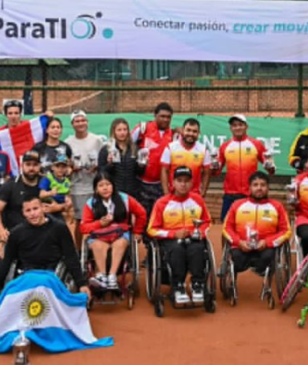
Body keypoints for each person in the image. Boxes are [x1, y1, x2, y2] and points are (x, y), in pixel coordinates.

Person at [0, 197, 89, 298]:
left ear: (43, 208)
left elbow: (70, 257)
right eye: (28, 210)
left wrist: (81, 284)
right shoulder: (16, 233)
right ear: (23, 213)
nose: (32, 213)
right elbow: (7, 262)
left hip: (52, 276)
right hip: (26, 276)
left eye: (35, 209)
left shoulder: (59, 228)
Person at [146, 166, 212, 304]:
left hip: (193, 237)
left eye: (187, 181)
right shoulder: (161, 203)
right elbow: (151, 229)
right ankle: (178, 286)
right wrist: (173, 234)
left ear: (192, 183)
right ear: (173, 183)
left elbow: (207, 222)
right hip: (171, 240)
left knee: (198, 249)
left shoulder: (198, 200)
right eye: (179, 180)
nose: (183, 184)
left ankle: (197, 285)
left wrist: (200, 232)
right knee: (177, 249)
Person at [81, 175, 147, 289]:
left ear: (113, 186)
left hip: (120, 234)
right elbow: (83, 227)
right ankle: (102, 276)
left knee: (120, 244)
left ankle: (112, 276)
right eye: (101, 185)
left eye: (108, 184)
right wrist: (99, 224)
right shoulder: (90, 203)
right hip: (99, 235)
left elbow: (141, 213)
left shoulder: (125, 199)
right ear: (96, 189)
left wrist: (138, 231)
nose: (105, 188)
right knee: (96, 245)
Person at [223, 172, 292, 277]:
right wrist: (239, 242)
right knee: (236, 257)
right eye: (255, 185)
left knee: (269, 256)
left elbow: (286, 231)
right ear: (249, 188)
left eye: (263, 185)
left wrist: (267, 242)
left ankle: (264, 279)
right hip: (242, 246)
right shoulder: (237, 205)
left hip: (265, 248)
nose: (259, 188)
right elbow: (227, 228)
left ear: (268, 188)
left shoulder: (277, 207)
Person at [0, 150, 60, 244]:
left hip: (45, 235)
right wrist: (1, 230)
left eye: (35, 164)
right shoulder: (11, 185)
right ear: (22, 165)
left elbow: (67, 205)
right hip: (16, 235)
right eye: (28, 164)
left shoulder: (49, 184)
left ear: (40, 166)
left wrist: (58, 207)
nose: (31, 168)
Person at [216, 114, 274, 223]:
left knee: (251, 224)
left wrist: (270, 166)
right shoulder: (225, 146)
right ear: (231, 128)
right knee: (226, 224)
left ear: (246, 126)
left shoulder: (256, 144)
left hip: (250, 194)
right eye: (234, 125)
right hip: (230, 194)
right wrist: (214, 167)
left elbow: (270, 170)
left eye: (240, 125)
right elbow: (216, 171)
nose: (237, 127)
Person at [132, 102, 176, 218]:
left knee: (158, 217)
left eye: (168, 117)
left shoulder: (173, 135)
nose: (165, 120)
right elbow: (126, 145)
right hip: (140, 183)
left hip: (160, 185)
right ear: (155, 115)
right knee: (141, 216)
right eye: (162, 116)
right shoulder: (142, 129)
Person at [66, 110, 106, 224]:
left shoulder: (97, 140)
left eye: (83, 120)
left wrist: (97, 166)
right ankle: (78, 243)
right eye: (77, 121)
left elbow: (104, 161)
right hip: (78, 187)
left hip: (96, 186)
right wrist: (72, 168)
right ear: (72, 124)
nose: (80, 123)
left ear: (87, 122)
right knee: (81, 221)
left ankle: (94, 242)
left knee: (98, 219)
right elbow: (66, 167)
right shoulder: (68, 143)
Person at [0, 99, 53, 177]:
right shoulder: (0, 134)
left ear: (20, 114)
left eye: (16, 113)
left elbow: (49, 127)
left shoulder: (30, 127)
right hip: (13, 176)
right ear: (5, 115)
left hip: (34, 172)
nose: (13, 116)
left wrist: (47, 117)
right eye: (10, 113)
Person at [160, 118, 212, 197]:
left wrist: (203, 191)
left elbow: (207, 173)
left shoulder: (203, 150)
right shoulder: (170, 147)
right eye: (188, 130)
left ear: (198, 133)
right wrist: (166, 193)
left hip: (194, 195)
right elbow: (164, 170)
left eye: (194, 131)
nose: (191, 133)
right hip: (174, 194)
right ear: (183, 131)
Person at [97, 117, 141, 198]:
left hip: (133, 192)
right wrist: (110, 164)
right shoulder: (106, 150)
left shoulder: (134, 148)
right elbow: (101, 172)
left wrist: (142, 165)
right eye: (119, 130)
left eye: (125, 129)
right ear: (114, 131)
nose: (122, 133)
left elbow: (139, 173)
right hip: (114, 192)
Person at [39, 154, 74, 223]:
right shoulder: (48, 178)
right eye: (58, 166)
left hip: (62, 207)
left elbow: (68, 194)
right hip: (50, 206)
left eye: (63, 167)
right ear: (52, 167)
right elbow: (41, 194)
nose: (60, 169)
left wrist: (68, 199)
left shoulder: (67, 180)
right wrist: (50, 193)